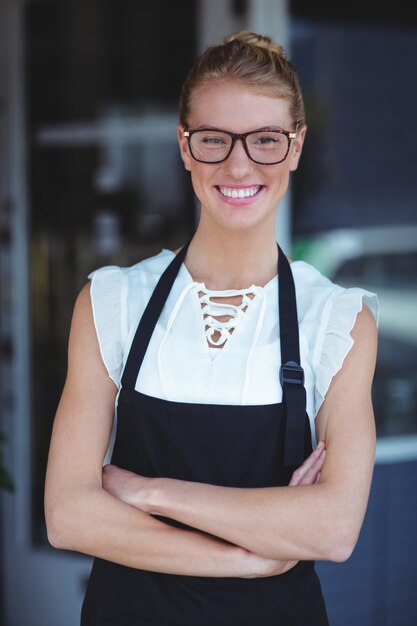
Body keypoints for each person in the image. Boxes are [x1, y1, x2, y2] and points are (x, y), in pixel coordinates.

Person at [44, 30, 379, 626]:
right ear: (184, 146)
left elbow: (332, 530)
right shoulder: (111, 301)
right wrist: (249, 556)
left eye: (267, 141)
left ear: (297, 148)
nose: (239, 164)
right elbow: (69, 516)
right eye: (214, 140)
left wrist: (149, 493)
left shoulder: (337, 321)